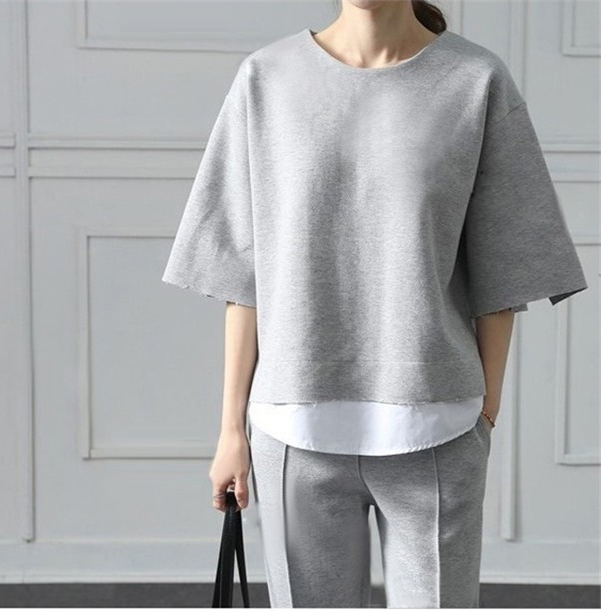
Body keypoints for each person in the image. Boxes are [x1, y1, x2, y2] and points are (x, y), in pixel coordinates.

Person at [160, 1, 589, 608]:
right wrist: (231, 430)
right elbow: (244, 278)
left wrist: (484, 409)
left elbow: (505, 260)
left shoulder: (475, 81)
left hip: (436, 426)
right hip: (293, 430)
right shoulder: (266, 79)